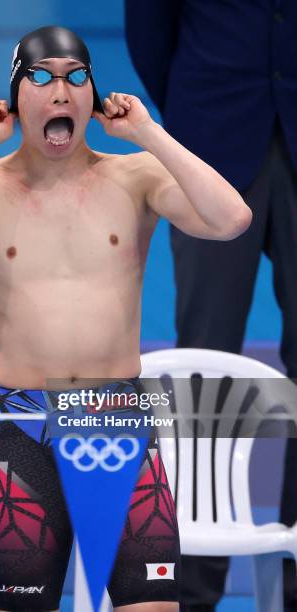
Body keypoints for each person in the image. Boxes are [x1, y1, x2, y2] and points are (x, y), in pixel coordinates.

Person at [0, 25, 251, 612]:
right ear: (15, 97)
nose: (60, 92)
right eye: (41, 78)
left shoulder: (134, 175)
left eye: (76, 77)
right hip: (25, 429)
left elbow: (231, 219)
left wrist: (148, 132)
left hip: (120, 420)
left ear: (94, 96)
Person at [125, 2, 297, 611]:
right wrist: (187, 119)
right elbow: (148, 26)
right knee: (204, 364)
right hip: (212, 139)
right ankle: (194, 590)